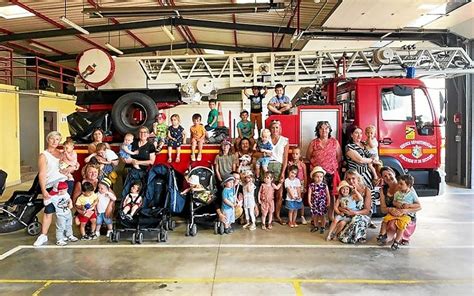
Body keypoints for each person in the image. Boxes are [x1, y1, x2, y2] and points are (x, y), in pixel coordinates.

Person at [34, 131, 68, 247]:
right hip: (50, 186)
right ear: (48, 140)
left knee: (62, 212)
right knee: (48, 211)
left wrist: (71, 167)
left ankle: (62, 236)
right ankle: (43, 235)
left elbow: (68, 167)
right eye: (52, 139)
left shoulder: (62, 153)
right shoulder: (43, 155)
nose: (55, 142)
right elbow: (42, 174)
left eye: (57, 139)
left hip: (63, 184)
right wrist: (43, 190)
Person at [306, 121, 342, 221]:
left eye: (326, 128)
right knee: (317, 195)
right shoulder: (314, 142)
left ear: (329, 130)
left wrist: (330, 165)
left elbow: (339, 157)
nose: (324, 130)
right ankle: (318, 218)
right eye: (321, 128)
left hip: (331, 173)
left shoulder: (334, 142)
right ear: (318, 130)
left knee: (331, 195)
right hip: (318, 174)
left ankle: (330, 216)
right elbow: (308, 156)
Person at [379, 167, 421, 246]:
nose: (388, 177)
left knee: (396, 224)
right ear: (382, 178)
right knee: (385, 240)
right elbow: (383, 209)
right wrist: (390, 209)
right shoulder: (383, 190)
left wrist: (405, 210)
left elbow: (419, 207)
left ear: (394, 174)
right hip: (392, 215)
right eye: (385, 176)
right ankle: (384, 235)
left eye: (389, 174)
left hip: (406, 215)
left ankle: (400, 239)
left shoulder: (408, 188)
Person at [337, 169, 372, 244]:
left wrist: (354, 213)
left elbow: (367, 210)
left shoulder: (366, 190)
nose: (351, 181)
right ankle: (355, 235)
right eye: (348, 179)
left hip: (362, 215)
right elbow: (338, 206)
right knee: (344, 221)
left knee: (356, 219)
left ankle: (352, 236)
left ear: (358, 179)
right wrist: (343, 210)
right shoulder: (346, 190)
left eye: (353, 178)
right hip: (348, 214)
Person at [268, 120, 289, 225]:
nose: (275, 130)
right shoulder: (266, 138)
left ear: (280, 129)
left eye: (277, 127)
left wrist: (283, 172)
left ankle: (277, 215)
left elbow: (285, 158)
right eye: (273, 127)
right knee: (268, 194)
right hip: (268, 166)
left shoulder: (284, 140)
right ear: (270, 129)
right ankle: (269, 217)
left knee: (279, 194)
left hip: (279, 166)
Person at [50, 181, 78, 246]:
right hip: (60, 215)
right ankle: (59, 239)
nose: (60, 193)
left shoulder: (65, 194)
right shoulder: (53, 197)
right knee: (60, 227)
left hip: (68, 213)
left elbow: (69, 199)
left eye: (63, 190)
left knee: (69, 225)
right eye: (59, 191)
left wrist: (70, 203)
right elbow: (46, 201)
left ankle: (69, 235)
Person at [307, 166, 330, 234]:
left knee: (323, 215)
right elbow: (309, 194)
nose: (319, 178)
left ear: (323, 177)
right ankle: (316, 226)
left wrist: (328, 202)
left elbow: (328, 194)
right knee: (315, 215)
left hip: (322, 203)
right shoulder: (311, 185)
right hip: (315, 203)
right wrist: (309, 201)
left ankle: (323, 226)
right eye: (317, 176)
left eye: (321, 177)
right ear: (313, 177)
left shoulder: (324, 185)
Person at [289, 147, 308, 225]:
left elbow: (305, 176)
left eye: (296, 154)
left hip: (300, 183)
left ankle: (302, 216)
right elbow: (288, 174)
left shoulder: (302, 164)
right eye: (293, 153)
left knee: (300, 200)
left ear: (299, 155)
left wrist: (305, 186)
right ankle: (292, 218)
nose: (294, 155)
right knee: (292, 199)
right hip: (292, 184)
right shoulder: (290, 163)